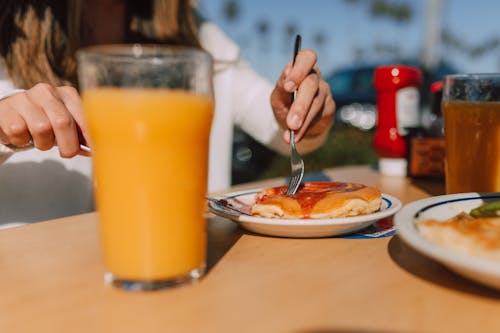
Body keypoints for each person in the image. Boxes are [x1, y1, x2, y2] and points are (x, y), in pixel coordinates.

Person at [0, 0, 335, 226]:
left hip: (184, 276)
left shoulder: (197, 38)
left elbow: (274, 125)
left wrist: (301, 115)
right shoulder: (7, 33)